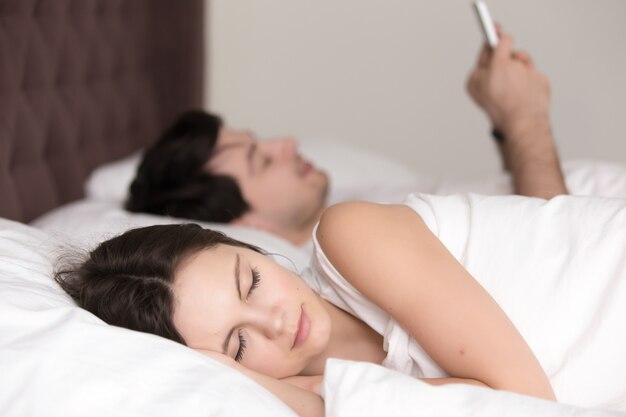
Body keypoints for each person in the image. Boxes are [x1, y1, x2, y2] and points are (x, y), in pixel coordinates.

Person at [56, 196, 626, 413]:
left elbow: (526, 407)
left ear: (252, 248)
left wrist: (321, 398)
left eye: (251, 282)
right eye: (240, 343)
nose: (276, 321)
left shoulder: (351, 235)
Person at [126, 32, 570, 245]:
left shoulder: (366, 201)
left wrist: (502, 122)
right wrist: (525, 120)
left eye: (261, 141)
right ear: (243, 223)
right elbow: (559, 253)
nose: (286, 144)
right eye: (261, 161)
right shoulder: (351, 250)